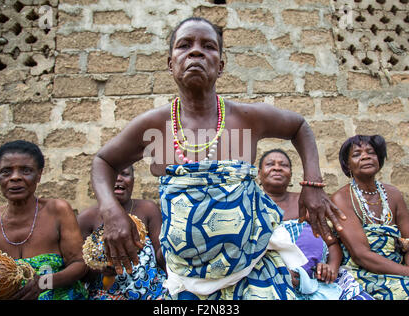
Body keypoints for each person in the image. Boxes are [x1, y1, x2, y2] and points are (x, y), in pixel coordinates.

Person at [90, 17, 346, 300]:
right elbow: (103, 161)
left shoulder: (246, 118)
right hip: (188, 279)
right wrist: (111, 211)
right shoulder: (154, 126)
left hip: (254, 269)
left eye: (208, 46)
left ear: (221, 65)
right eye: (184, 45)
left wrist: (313, 183)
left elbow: (299, 126)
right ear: (170, 63)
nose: (196, 52)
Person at [259, 148, 373, 300]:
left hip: (317, 280)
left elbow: (331, 244)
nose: (277, 167)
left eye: (284, 165)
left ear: (291, 174)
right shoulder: (252, 205)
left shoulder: (306, 202)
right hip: (269, 278)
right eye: (270, 164)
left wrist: (331, 267)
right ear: (259, 173)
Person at [0, 140, 88, 300]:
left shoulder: (57, 210)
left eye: (26, 171)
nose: (15, 178)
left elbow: (79, 263)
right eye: (6, 172)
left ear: (39, 175)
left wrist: (44, 283)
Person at [331, 134, 409, 300]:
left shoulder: (394, 195)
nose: (365, 156)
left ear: (379, 159)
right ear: (347, 165)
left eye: (371, 152)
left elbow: (408, 240)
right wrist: (406, 273)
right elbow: (361, 255)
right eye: (357, 154)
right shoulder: (342, 198)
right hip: (363, 273)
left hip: (399, 268)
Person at [77, 166, 166, 300]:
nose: (119, 178)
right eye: (113, 174)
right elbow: (80, 271)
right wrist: (100, 269)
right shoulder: (87, 219)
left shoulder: (148, 210)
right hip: (105, 295)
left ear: (133, 180)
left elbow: (161, 257)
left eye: (125, 174)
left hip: (152, 293)